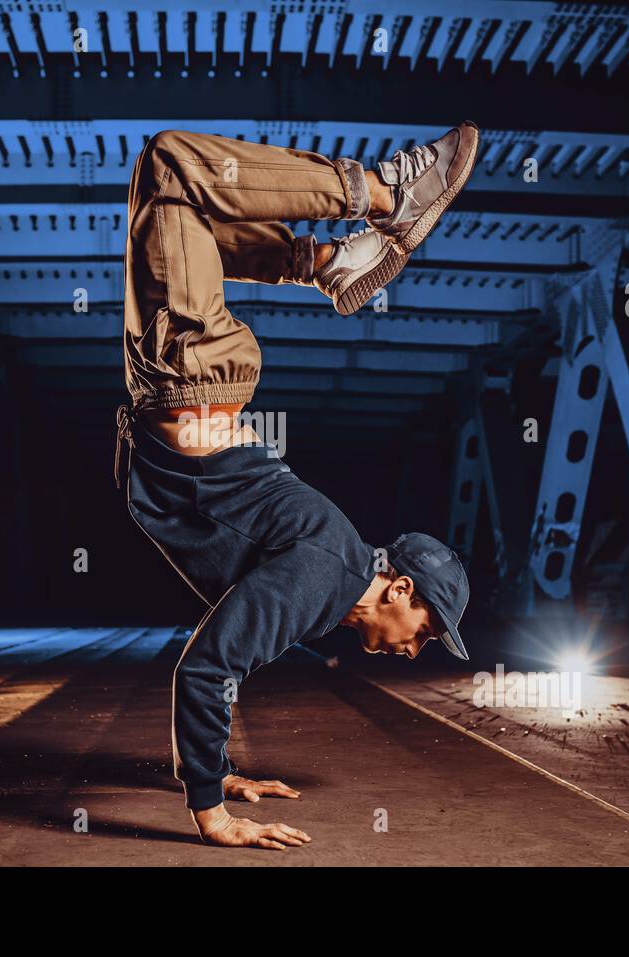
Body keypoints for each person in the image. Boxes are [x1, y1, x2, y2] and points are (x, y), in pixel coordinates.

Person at [114, 124, 478, 850]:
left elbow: (216, 652)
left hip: (184, 385)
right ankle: (381, 196)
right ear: (399, 589)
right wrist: (212, 814)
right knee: (170, 166)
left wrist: (214, 771)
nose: (416, 651)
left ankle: (329, 263)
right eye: (429, 630)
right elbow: (208, 665)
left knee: (179, 208)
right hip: (191, 374)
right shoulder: (331, 573)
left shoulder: (327, 588)